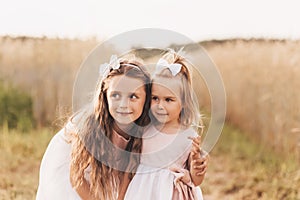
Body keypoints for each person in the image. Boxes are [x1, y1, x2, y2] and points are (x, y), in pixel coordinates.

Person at [36, 54, 152, 200]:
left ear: (146, 99)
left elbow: (128, 174)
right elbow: (77, 178)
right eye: (115, 95)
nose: (123, 104)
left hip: (107, 167)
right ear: (105, 96)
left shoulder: (146, 129)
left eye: (133, 96)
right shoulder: (90, 127)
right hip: (76, 174)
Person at [124, 49, 209, 200]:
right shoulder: (144, 129)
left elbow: (196, 181)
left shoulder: (188, 137)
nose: (160, 105)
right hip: (143, 193)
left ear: (183, 102)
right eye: (155, 98)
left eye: (168, 100)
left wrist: (196, 167)